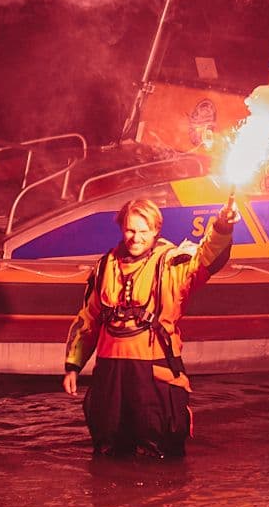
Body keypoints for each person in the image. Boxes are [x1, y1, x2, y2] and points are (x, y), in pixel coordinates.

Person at [60, 195, 237, 458]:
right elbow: (89, 318)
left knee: (159, 452)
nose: (136, 238)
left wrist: (223, 225)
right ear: (122, 229)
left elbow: (207, 257)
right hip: (111, 377)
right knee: (108, 450)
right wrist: (73, 367)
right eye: (130, 230)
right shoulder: (104, 267)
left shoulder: (174, 264)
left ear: (156, 230)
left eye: (143, 231)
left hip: (155, 376)